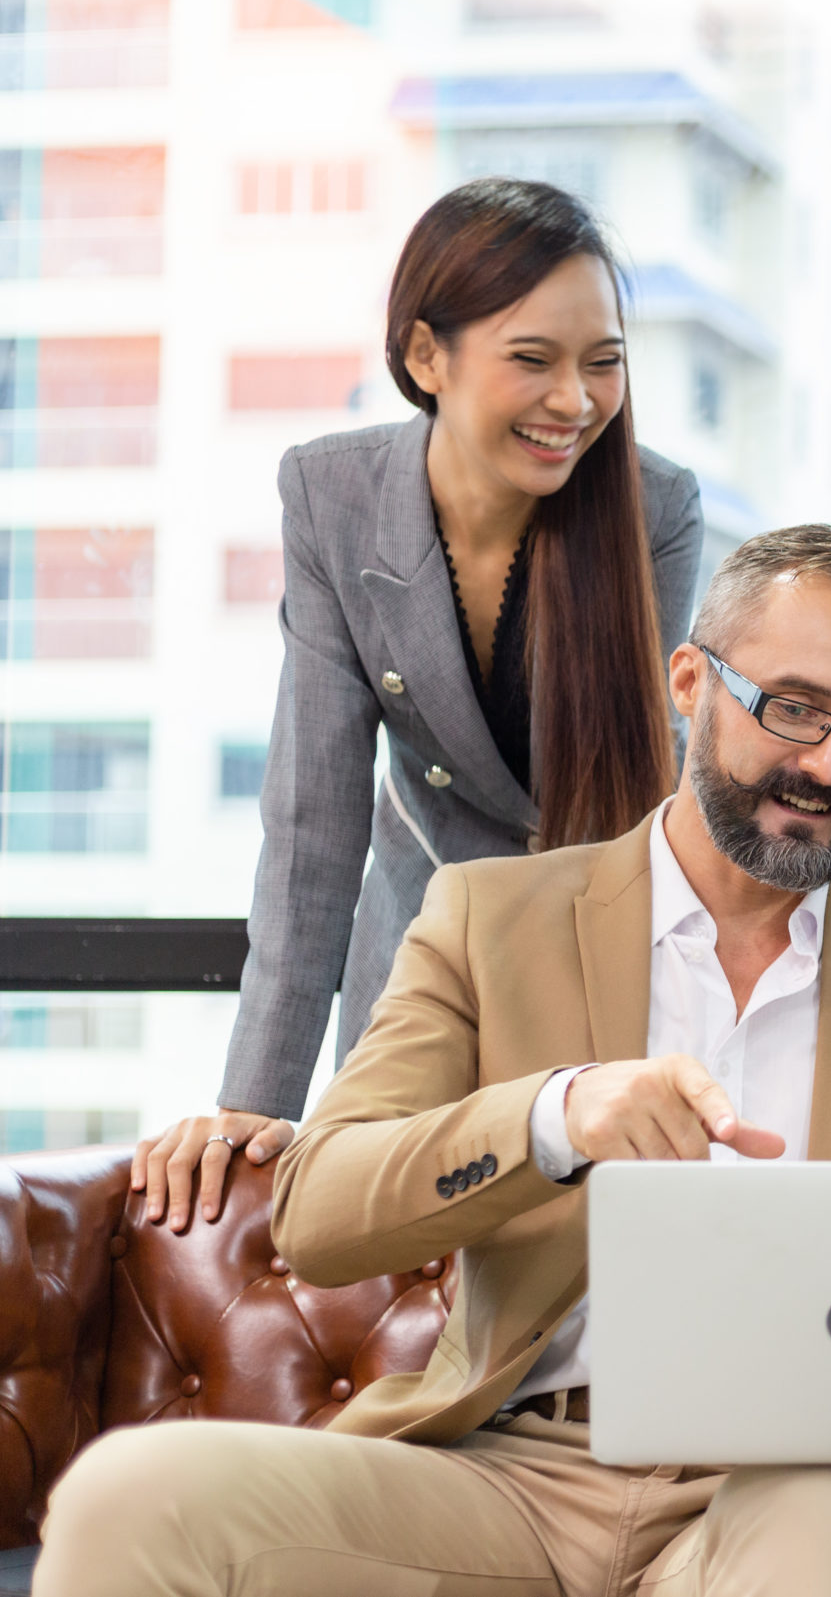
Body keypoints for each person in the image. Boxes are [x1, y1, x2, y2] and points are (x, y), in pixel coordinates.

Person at [39, 526, 831, 1597]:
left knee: (818, 1536)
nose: (829, 765)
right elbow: (320, 1213)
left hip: (787, 1477)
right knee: (129, 1496)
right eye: (792, 707)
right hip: (506, 1469)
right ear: (691, 682)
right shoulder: (487, 917)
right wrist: (558, 1115)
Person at [134, 177, 704, 1236]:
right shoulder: (329, 495)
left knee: (566, 1248)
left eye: (604, 362)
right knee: (387, 1232)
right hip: (421, 927)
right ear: (426, 356)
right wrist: (255, 1104)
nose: (575, 401)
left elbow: (637, 788)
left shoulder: (654, 506)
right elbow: (313, 821)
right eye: (532, 359)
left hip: (589, 914)